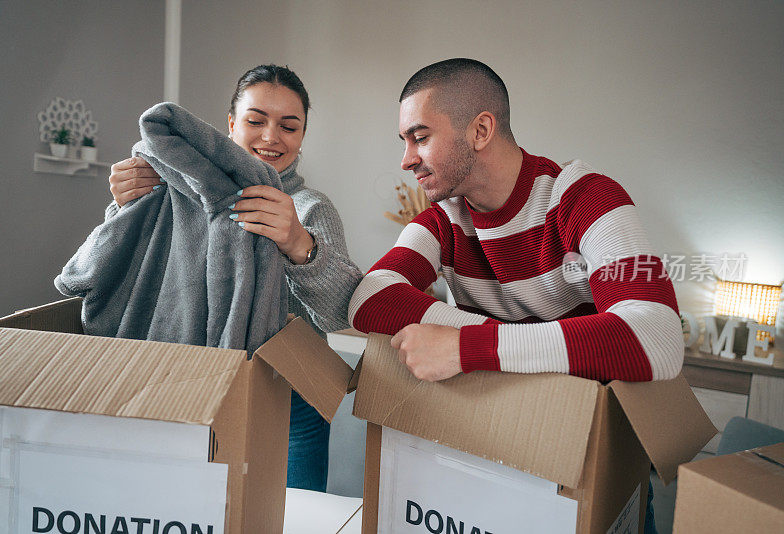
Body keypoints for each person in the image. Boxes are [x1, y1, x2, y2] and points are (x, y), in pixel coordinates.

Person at [348, 58, 682, 533]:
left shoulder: (587, 197)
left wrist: (465, 348)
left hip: (591, 449)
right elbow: (370, 299)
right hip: (504, 441)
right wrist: (499, 343)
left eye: (420, 137)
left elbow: (657, 336)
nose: (405, 160)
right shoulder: (444, 217)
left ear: (481, 129)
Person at [109, 65, 363, 492]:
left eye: (289, 126)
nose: (270, 137)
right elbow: (131, 275)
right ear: (230, 124)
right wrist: (123, 208)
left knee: (289, 518)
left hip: (289, 402)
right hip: (190, 387)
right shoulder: (178, 195)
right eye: (255, 120)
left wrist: (299, 243)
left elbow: (343, 313)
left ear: (302, 136)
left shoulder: (308, 207)